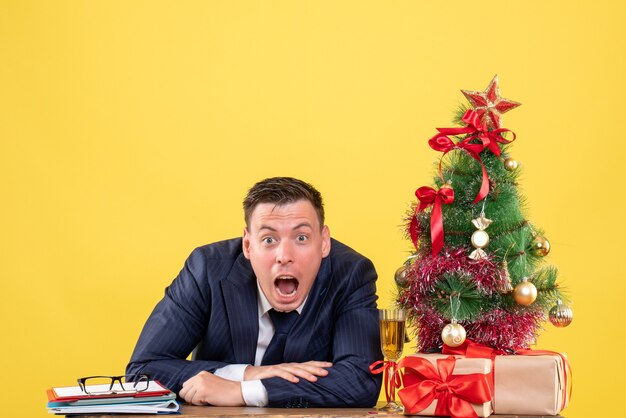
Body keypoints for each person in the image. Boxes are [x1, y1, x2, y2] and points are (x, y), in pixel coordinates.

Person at [126, 177, 382, 408]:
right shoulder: (207, 268)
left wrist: (244, 391)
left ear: (324, 242)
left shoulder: (351, 274)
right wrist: (247, 373)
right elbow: (142, 372)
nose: (284, 256)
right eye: (269, 240)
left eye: (301, 238)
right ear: (248, 245)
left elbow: (359, 381)